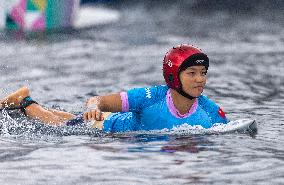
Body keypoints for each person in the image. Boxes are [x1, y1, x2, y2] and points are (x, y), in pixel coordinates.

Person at [0, 44, 228, 132]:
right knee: (60, 123)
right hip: (106, 126)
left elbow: (230, 131)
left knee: (68, 117)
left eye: (203, 73)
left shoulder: (210, 110)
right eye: (192, 73)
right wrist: (92, 108)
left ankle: (26, 98)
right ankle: (25, 103)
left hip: (122, 129)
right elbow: (98, 100)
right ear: (173, 76)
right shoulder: (151, 97)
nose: (200, 79)